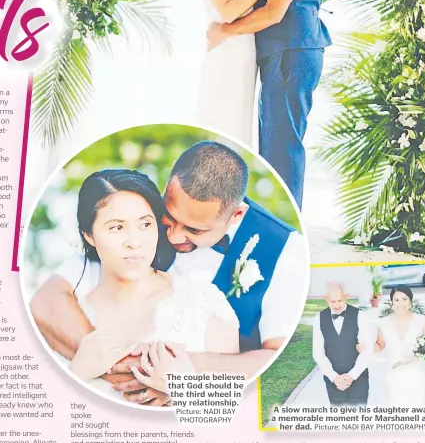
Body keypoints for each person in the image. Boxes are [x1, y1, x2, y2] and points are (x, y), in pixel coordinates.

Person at [30, 141, 308, 407]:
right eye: (170, 219)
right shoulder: (131, 223)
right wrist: (110, 366)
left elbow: (278, 361)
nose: (173, 236)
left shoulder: (285, 251)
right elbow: (47, 301)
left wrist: (184, 380)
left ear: (236, 216)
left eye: (194, 230)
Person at [31, 168, 239, 404]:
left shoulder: (205, 306)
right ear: (89, 234)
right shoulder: (65, 315)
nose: (134, 242)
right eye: (117, 227)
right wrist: (76, 373)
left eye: (145, 224)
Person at [207, 0, 332, 209]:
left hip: (291, 53)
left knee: (282, 145)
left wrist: (225, 31)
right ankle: (278, 221)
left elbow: (275, 11)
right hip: (287, 53)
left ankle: (287, 228)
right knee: (276, 143)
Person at [195, 0, 277, 146]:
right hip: (227, 56)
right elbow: (228, 12)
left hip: (244, 57)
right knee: (224, 119)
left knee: (239, 122)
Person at [313, 281, 373, 406]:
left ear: (346, 296)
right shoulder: (318, 319)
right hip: (333, 380)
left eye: (340, 300)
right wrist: (334, 377)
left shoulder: (360, 316)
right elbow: (318, 353)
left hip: (358, 377)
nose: (337, 305)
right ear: (326, 299)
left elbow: (367, 350)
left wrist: (352, 376)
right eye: (333, 302)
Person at [375, 286, 425, 407]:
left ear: (410, 301)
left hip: (417, 373)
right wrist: (362, 348)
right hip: (394, 373)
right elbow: (379, 345)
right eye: (396, 300)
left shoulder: (423, 321)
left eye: (404, 299)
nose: (400, 303)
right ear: (391, 302)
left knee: (416, 406)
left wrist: (415, 356)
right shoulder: (383, 323)